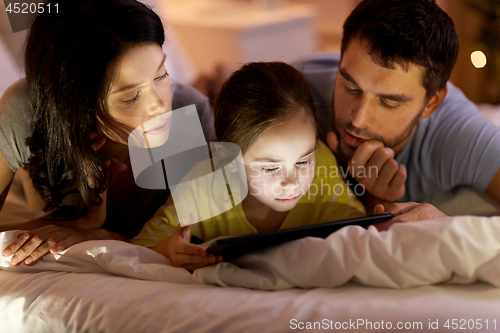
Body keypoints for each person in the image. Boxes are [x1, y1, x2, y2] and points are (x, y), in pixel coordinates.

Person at [0, 0, 213, 266]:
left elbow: (187, 241)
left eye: (162, 74)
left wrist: (94, 233)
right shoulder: (25, 110)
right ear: (77, 103)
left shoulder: (187, 114)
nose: (160, 104)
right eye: (132, 96)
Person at [132, 62, 366, 270]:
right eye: (271, 168)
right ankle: (212, 77)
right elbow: (139, 249)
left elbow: (360, 229)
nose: (293, 181)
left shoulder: (322, 161)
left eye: (303, 161)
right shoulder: (203, 184)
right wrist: (168, 250)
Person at [295, 0, 500, 214]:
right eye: (351, 87)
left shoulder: (460, 135)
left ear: (432, 103)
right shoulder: (297, 94)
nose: (358, 119)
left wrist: (445, 225)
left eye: (388, 102)